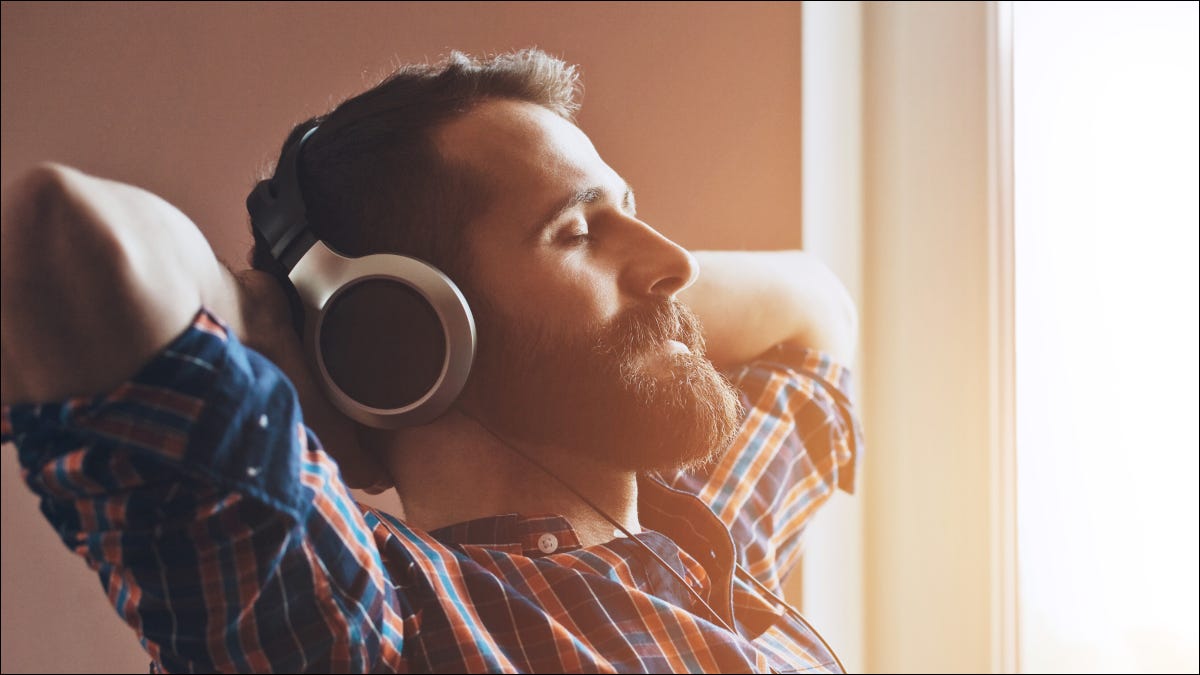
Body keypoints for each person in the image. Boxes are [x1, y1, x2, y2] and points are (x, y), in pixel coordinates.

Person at [0, 49, 862, 673]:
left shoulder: (704, 538)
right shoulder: (373, 622)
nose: (679, 260)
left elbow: (817, 315)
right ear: (401, 326)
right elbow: (60, 241)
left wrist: (640, 306)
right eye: (578, 231)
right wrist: (297, 334)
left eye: (632, 213)